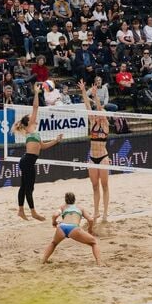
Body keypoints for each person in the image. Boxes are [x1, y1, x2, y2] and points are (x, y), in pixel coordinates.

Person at [12, 83, 64, 221]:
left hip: (29, 160)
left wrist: (56, 140)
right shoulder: (30, 127)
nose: (33, 116)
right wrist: (36, 93)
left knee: (25, 186)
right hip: (27, 160)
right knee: (28, 188)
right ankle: (33, 212)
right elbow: (35, 107)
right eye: (31, 116)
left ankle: (21, 211)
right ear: (29, 121)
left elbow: (43, 147)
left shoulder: (35, 132)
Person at [42, 192, 105, 267]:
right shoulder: (80, 208)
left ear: (65, 200)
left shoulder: (63, 207)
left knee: (54, 243)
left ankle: (43, 261)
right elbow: (90, 220)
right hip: (73, 228)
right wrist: (90, 229)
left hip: (62, 227)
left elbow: (55, 215)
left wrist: (54, 222)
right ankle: (99, 263)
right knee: (93, 242)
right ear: (75, 200)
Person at [79, 80, 110, 221]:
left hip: (103, 157)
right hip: (92, 157)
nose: (99, 114)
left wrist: (96, 96)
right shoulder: (93, 121)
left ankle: (104, 213)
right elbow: (87, 105)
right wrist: (84, 91)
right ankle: (96, 211)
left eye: (101, 113)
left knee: (104, 185)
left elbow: (97, 107)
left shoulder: (106, 125)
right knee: (95, 186)